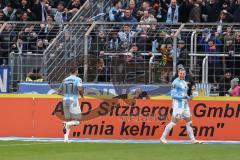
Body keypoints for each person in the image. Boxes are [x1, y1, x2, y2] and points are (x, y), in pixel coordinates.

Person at [160, 68, 202, 144]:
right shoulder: (175, 82)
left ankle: (193, 140)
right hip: (178, 106)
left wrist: (189, 98)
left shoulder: (184, 82)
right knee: (173, 122)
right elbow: (173, 95)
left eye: (183, 73)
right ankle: (162, 137)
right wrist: (183, 97)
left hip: (185, 105)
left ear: (185, 74)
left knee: (189, 122)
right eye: (181, 73)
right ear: (178, 73)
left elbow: (184, 94)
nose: (182, 75)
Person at [57, 66, 84, 143]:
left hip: (65, 100)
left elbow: (58, 91)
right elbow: (79, 89)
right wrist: (82, 96)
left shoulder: (65, 79)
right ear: (76, 71)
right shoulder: (78, 79)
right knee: (77, 121)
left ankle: (65, 139)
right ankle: (66, 124)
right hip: (74, 100)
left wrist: (65, 95)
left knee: (68, 120)